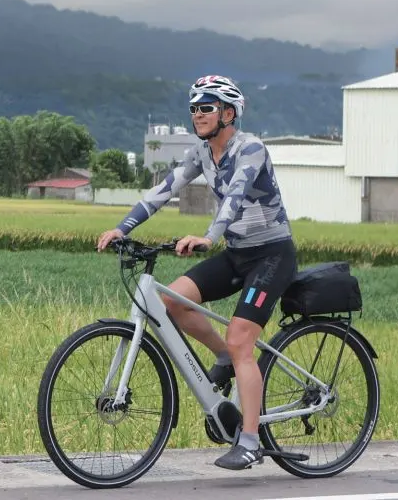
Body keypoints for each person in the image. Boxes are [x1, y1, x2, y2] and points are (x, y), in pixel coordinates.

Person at [95, 74, 297, 470]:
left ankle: (252, 440)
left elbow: (235, 197)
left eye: (205, 107)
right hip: (239, 253)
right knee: (171, 302)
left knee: (242, 339)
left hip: (271, 255)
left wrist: (209, 236)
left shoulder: (250, 148)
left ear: (228, 112)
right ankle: (222, 357)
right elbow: (163, 190)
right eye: (193, 108)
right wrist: (123, 227)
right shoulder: (201, 153)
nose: (197, 114)